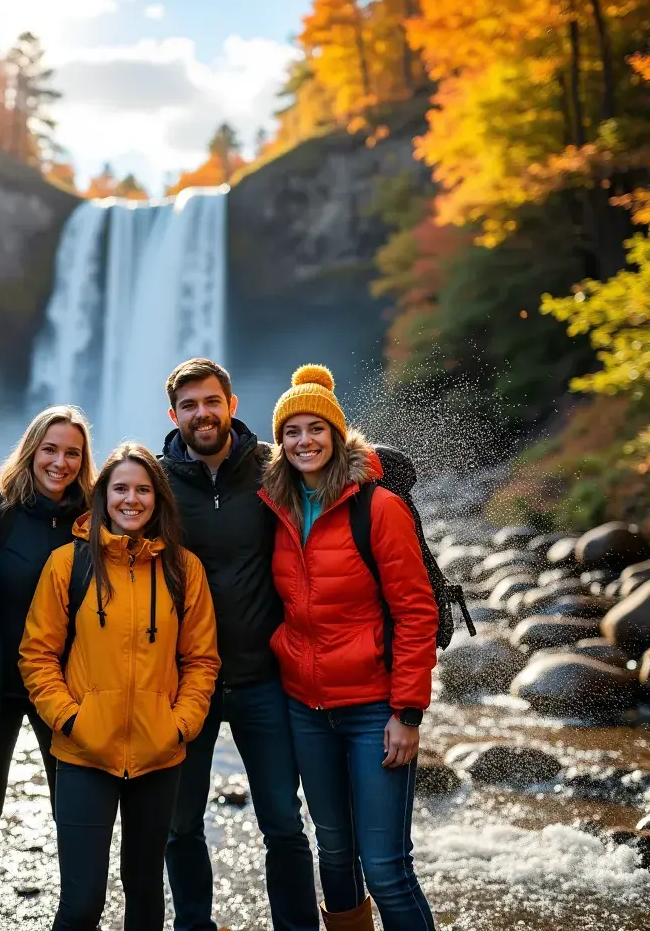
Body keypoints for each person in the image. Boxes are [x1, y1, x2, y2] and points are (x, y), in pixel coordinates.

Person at [261, 364, 439, 931]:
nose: (304, 441)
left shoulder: (377, 507)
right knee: (334, 854)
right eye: (292, 431)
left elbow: (416, 612)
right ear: (280, 441)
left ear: (337, 435)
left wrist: (406, 713)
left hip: (372, 709)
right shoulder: (278, 506)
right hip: (306, 708)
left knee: (386, 867)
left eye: (316, 428)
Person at [20, 443, 220, 931]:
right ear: (103, 496)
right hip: (85, 753)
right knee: (82, 903)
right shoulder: (69, 564)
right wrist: (71, 719)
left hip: (159, 753)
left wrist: (182, 724)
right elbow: (37, 655)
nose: (132, 500)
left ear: (158, 499)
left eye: (143, 490)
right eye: (121, 489)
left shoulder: (183, 568)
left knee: (146, 891)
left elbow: (201, 660)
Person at [159, 358, 321, 931]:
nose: (201, 414)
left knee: (282, 820)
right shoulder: (157, 483)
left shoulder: (274, 470)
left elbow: (335, 479)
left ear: (231, 404)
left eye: (211, 401)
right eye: (188, 405)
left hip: (264, 679)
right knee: (180, 824)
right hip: (186, 684)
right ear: (173, 414)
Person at [0, 405, 96, 930]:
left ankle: (77, 913)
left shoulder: (93, 520)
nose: (59, 462)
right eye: (50, 449)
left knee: (76, 812)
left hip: (66, 691)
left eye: (72, 453)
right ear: (31, 451)